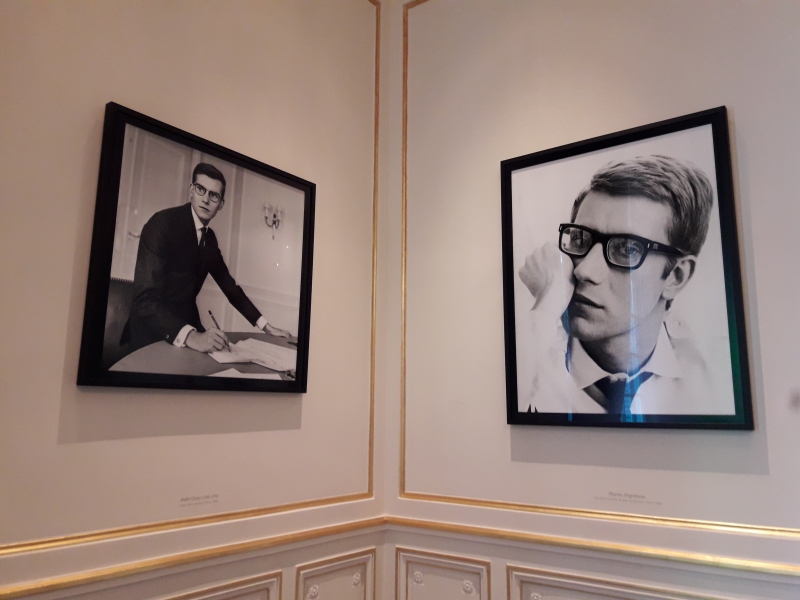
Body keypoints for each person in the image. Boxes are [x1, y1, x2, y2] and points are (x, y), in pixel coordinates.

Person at [518, 155, 732, 417]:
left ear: (676, 277)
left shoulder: (719, 377)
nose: (584, 270)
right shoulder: (530, 359)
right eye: (580, 239)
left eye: (627, 249)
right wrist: (546, 306)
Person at [121, 162, 291, 354]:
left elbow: (230, 287)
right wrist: (192, 336)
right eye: (201, 189)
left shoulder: (209, 239)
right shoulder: (161, 224)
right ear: (191, 191)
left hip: (188, 327)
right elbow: (144, 300)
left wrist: (266, 326)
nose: (206, 199)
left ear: (221, 204)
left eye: (214, 195)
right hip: (151, 334)